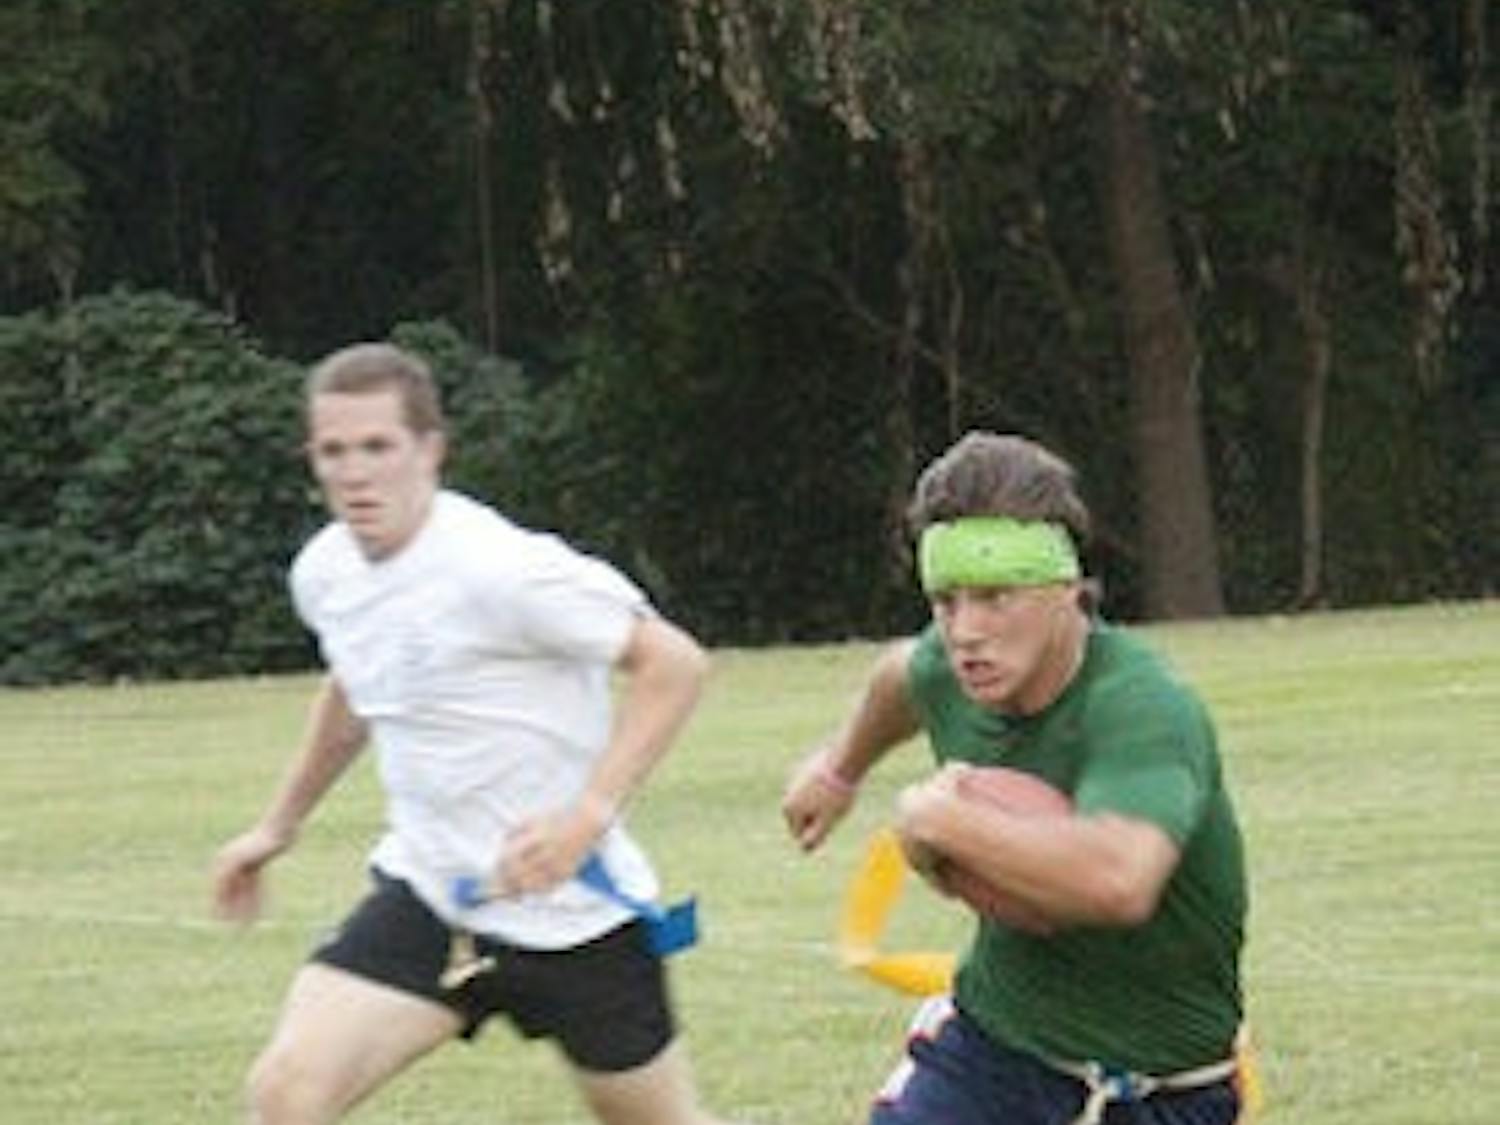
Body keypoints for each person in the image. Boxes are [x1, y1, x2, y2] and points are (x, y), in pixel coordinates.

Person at [213, 342, 733, 1125]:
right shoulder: (325, 571)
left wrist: (584, 818)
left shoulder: (504, 570)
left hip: (573, 917)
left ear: (430, 449)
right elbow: (357, 687)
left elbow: (676, 664)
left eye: (378, 446)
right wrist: (275, 827)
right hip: (434, 897)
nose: (355, 472)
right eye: (334, 451)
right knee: (286, 1093)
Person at [781, 431, 1249, 1125]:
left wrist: (936, 821)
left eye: (997, 596)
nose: (966, 630)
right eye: (947, 599)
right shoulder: (949, 663)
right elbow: (900, 676)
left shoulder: (1140, 707)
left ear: (1066, 587)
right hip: (993, 1048)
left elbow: (1119, 879)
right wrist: (838, 768)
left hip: (1166, 1088)